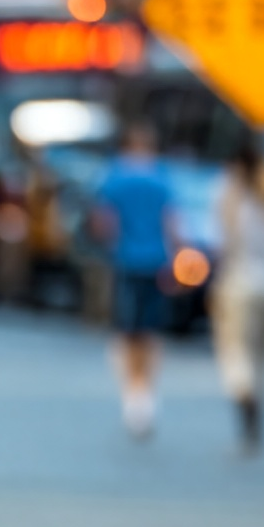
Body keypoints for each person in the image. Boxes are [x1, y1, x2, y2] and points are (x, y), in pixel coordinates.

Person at [210, 134, 264, 452]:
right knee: (262, 352)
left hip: (238, 282)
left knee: (236, 352)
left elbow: (218, 245)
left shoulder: (228, 195)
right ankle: (257, 400)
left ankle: (245, 396)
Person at [94, 122, 175, 439]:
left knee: (126, 332)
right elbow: (172, 221)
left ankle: (133, 396)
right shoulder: (161, 175)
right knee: (151, 332)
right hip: (156, 261)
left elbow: (104, 223)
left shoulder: (114, 177)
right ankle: (147, 395)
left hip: (126, 261)